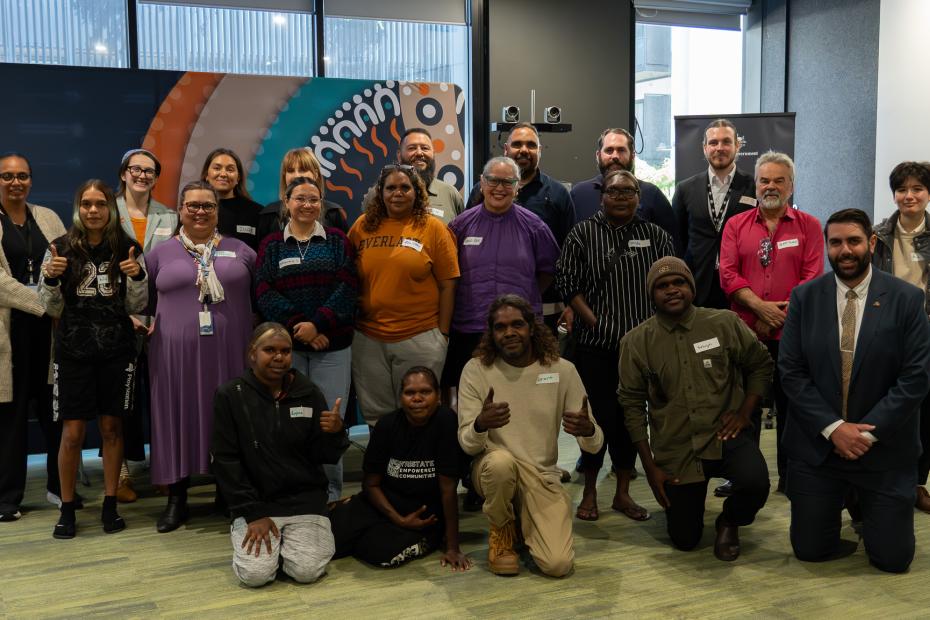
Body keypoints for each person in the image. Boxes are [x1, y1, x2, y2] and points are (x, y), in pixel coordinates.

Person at [780, 208, 930, 573]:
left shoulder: (907, 299)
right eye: (835, 243)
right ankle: (845, 500)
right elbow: (791, 372)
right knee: (810, 550)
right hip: (820, 447)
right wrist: (835, 430)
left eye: (853, 241)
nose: (844, 250)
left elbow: (915, 378)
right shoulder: (805, 297)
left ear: (871, 243)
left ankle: (867, 511)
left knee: (893, 560)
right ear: (826, 247)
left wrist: (863, 436)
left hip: (883, 446)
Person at [618, 257, 773, 561]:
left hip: (725, 437)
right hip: (678, 446)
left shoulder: (724, 323)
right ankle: (689, 503)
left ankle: (729, 520)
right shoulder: (635, 343)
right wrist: (650, 468)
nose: (672, 290)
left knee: (757, 483)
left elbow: (761, 365)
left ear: (692, 287)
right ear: (652, 295)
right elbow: (631, 405)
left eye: (679, 283)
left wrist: (744, 413)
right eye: (662, 286)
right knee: (685, 539)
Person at [457, 294, 603, 577]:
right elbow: (466, 443)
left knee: (558, 565)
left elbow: (595, 444)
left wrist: (588, 431)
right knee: (500, 463)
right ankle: (501, 530)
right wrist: (480, 425)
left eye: (517, 324)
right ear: (491, 333)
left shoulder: (562, 371)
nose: (509, 332)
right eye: (500, 327)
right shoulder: (476, 370)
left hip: (541, 477)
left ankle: (522, 525)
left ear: (532, 328)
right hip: (493, 471)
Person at [557, 170, 673, 522]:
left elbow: (670, 285)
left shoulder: (656, 236)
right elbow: (566, 281)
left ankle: (622, 493)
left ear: (639, 196)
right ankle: (590, 490)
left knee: (631, 423)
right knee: (596, 419)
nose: (621, 196)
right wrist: (592, 320)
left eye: (629, 191)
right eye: (613, 191)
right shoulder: (582, 233)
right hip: (595, 347)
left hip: (641, 351)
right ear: (602, 196)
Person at [146, 180, 257, 533]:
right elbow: (140, 300)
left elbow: (261, 298)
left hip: (230, 353)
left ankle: (229, 494)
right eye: (192, 205)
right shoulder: (159, 254)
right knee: (176, 418)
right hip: (173, 357)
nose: (199, 211)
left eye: (207, 206)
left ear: (217, 210)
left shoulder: (242, 251)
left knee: (229, 420)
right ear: (180, 210)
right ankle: (177, 498)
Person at [39, 179, 147, 539]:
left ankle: (110, 503)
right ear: (78, 207)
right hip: (73, 352)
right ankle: (67, 509)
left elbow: (136, 306)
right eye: (86, 204)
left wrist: (136, 277)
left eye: (100, 204)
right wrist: (51, 281)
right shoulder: (59, 248)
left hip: (117, 351)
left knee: (111, 429)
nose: (94, 210)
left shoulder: (129, 248)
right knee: (71, 433)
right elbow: (49, 306)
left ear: (110, 208)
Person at [212, 323, 348, 587]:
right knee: (256, 576)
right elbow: (225, 459)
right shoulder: (230, 395)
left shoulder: (308, 392)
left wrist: (335, 432)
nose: (279, 357)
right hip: (257, 503)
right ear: (252, 353)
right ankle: (271, 551)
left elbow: (324, 456)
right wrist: (252, 513)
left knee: (306, 572)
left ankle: (290, 549)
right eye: (269, 350)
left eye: (285, 351)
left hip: (304, 501)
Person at [719, 151, 823, 491]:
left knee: (791, 408)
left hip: (793, 335)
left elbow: (811, 277)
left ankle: (791, 479)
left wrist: (776, 317)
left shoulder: (809, 225)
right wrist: (760, 309)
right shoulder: (736, 225)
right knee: (742, 406)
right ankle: (743, 478)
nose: (771, 186)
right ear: (757, 184)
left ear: (791, 185)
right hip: (745, 334)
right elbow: (729, 276)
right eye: (765, 180)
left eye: (779, 180)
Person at [255, 176, 357, 501]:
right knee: (291, 418)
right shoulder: (272, 245)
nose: (307, 205)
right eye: (300, 198)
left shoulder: (338, 241)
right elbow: (263, 291)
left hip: (332, 346)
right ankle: (296, 489)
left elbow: (348, 286)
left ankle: (331, 493)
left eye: (314, 199)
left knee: (329, 418)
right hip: (289, 351)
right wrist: (301, 326)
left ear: (322, 204)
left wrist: (319, 325)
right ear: (287, 203)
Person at [348, 164, 459, 426]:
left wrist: (442, 334)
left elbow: (448, 285)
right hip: (368, 340)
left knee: (420, 415)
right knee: (378, 417)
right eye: (391, 188)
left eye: (405, 187)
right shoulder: (362, 227)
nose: (397, 193)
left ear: (416, 192)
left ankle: (421, 467)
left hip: (420, 337)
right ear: (380, 193)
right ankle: (384, 466)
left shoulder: (433, 228)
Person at [330, 367, 471, 571]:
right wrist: (398, 519)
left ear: (438, 396)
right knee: (329, 541)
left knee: (382, 554)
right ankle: (359, 519)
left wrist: (453, 546)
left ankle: (415, 536)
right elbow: (371, 484)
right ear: (400, 398)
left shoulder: (446, 421)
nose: (417, 398)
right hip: (383, 505)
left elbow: (448, 490)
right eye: (410, 393)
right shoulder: (386, 425)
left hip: (423, 516)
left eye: (425, 392)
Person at [443, 156, 559, 398]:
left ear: (517, 188)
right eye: (493, 180)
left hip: (518, 330)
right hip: (470, 328)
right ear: (482, 183)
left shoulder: (534, 226)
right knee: (473, 397)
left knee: (518, 397)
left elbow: (549, 270)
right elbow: (447, 275)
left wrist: (527, 295)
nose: (499, 188)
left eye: (508, 182)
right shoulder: (460, 226)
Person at [0, 152, 67, 522]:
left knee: (53, 413)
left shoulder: (48, 218)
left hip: (49, 335)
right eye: (8, 176)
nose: (16, 183)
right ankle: (8, 499)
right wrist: (43, 302)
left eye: (22, 176)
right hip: (9, 335)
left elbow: (64, 261)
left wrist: (51, 300)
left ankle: (60, 487)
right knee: (9, 419)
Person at [114, 148, 178, 503]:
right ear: (123, 173)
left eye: (149, 171)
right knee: (121, 402)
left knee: (161, 398)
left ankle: (164, 469)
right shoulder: (105, 213)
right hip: (116, 318)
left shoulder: (168, 216)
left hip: (158, 319)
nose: (142, 176)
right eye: (136, 169)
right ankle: (121, 473)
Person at [466, 122, 575, 330]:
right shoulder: (480, 192)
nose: (524, 150)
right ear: (506, 149)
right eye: (517, 144)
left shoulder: (559, 194)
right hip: (482, 309)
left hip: (543, 307)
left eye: (531, 145)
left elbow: (569, 257)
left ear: (540, 151)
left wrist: (569, 303)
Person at [872, 161, 930, 513]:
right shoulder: (878, 235)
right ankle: (885, 478)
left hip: (928, 330)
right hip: (889, 330)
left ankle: (918, 482)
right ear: (894, 194)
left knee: (926, 411)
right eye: (902, 189)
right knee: (888, 404)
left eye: (917, 189)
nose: (909, 196)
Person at [673, 118, 756, 308]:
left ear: (738, 145)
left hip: (743, 287)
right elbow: (678, 238)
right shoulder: (685, 189)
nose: (720, 147)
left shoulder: (754, 187)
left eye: (726, 142)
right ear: (704, 148)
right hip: (697, 284)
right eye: (713, 142)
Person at [570, 128, 679, 252]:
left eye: (621, 150)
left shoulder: (652, 194)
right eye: (609, 150)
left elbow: (672, 246)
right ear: (598, 155)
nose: (615, 156)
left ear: (632, 156)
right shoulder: (579, 194)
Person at [257, 147, 348, 242]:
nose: (297, 175)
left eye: (302, 170)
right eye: (291, 171)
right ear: (285, 176)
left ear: (315, 174)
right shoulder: (269, 215)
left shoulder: (333, 214)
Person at [397, 128, 464, 225]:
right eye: (412, 148)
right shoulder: (382, 194)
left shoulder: (450, 194)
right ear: (399, 155)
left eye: (425, 148)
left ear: (433, 153)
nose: (419, 153)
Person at [201, 147, 264, 251]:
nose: (223, 174)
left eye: (230, 170)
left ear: (238, 178)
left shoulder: (258, 213)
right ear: (206, 175)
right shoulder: (193, 210)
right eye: (217, 168)